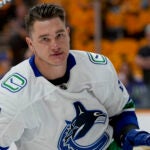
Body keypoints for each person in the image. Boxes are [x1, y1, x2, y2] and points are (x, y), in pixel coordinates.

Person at [0, 3, 150, 150]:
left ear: (68, 33)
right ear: (30, 44)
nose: (55, 45)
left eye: (59, 35)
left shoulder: (98, 67)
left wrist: (127, 132)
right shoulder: (14, 94)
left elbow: (121, 111)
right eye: (45, 39)